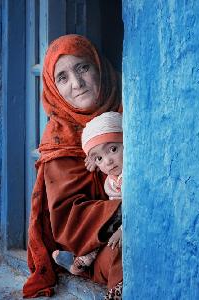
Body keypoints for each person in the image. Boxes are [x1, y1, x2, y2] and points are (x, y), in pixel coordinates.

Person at [22, 35, 123, 300]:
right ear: (53, 88)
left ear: (98, 66)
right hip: (93, 247)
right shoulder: (59, 137)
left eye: (83, 68)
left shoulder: (131, 107)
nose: (77, 84)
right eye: (63, 78)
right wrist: (126, 211)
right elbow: (68, 218)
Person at [52, 112, 123, 276]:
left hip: (124, 223)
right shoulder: (111, 175)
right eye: (99, 158)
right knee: (95, 225)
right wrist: (95, 157)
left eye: (113, 149)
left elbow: (136, 207)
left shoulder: (130, 177)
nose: (108, 162)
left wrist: (122, 231)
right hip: (114, 220)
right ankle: (80, 261)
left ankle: (80, 262)